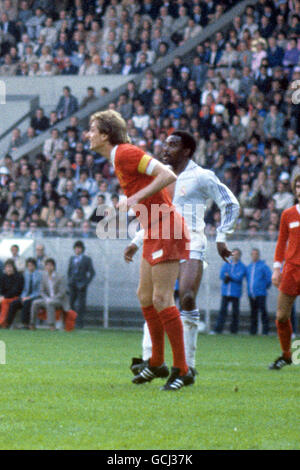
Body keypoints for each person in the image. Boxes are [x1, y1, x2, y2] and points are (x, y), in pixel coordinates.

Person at [87, 110, 192, 391]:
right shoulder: (117, 159)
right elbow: (155, 195)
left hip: (166, 227)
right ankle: (156, 362)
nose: (88, 134)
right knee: (145, 295)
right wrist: (138, 238)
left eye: (92, 129)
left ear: (106, 134)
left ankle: (182, 369)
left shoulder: (124, 153)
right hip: (154, 229)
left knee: (162, 297)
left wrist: (132, 198)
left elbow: (167, 174)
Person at [124, 131, 240, 372]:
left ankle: (188, 364)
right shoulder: (159, 178)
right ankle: (151, 358)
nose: (166, 149)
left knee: (186, 298)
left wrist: (221, 236)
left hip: (191, 242)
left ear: (187, 150)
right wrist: (136, 241)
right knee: (156, 299)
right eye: (165, 144)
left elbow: (230, 203)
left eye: (173, 145)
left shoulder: (201, 176)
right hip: (162, 240)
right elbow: (156, 216)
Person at [269, 175, 300, 369]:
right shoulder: (288, 214)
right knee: (281, 316)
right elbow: (281, 243)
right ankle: (287, 354)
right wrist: (276, 268)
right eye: (298, 186)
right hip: (291, 270)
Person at [30, 258, 69, 330]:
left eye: (50, 265)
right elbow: (41, 291)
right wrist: (46, 298)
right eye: (47, 265)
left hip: (59, 300)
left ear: (54, 267)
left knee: (50, 303)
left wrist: (52, 299)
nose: (48, 267)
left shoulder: (60, 277)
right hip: (47, 299)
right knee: (35, 303)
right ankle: (32, 324)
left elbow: (62, 292)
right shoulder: (44, 276)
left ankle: (51, 325)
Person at [214, 248, 246, 334]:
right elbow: (222, 275)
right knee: (223, 311)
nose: (235, 256)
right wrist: (229, 276)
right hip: (226, 292)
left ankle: (234, 330)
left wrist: (229, 276)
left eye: (237, 254)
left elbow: (238, 277)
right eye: (233, 254)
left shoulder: (242, 266)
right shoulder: (226, 264)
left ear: (239, 256)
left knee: (235, 312)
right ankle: (218, 330)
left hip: (235, 292)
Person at [6, 258, 42, 329]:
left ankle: (25, 324)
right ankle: (8, 323)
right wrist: (23, 297)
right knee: (14, 303)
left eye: (31, 265)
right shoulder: (25, 274)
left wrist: (29, 297)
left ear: (35, 266)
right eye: (28, 266)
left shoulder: (39, 275)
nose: (30, 267)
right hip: (25, 296)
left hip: (36, 296)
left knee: (27, 303)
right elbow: (24, 289)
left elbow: (39, 290)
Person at [67, 240, 95, 328]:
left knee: (81, 305)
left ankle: (79, 323)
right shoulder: (72, 258)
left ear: (82, 249)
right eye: (76, 248)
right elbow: (69, 271)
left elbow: (92, 273)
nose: (77, 250)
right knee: (71, 303)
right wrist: (70, 280)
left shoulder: (87, 259)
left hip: (81, 285)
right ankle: (71, 322)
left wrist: (86, 283)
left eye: (79, 248)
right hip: (72, 284)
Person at [246, 248, 272, 336]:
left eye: (256, 254)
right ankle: (253, 331)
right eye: (253, 254)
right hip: (251, 294)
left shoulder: (263, 266)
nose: (254, 255)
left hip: (260, 293)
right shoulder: (249, 267)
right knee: (253, 312)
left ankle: (265, 330)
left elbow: (269, 278)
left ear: (258, 255)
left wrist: (263, 287)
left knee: (263, 311)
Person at [0, 260, 24, 328]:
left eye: (10, 267)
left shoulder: (18, 276)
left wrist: (4, 297)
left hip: (15, 297)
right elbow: (1, 288)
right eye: (7, 267)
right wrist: (1, 296)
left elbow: (16, 291)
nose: (8, 269)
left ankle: (2, 322)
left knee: (4, 302)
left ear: (13, 267)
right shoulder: (3, 276)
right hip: (4, 297)